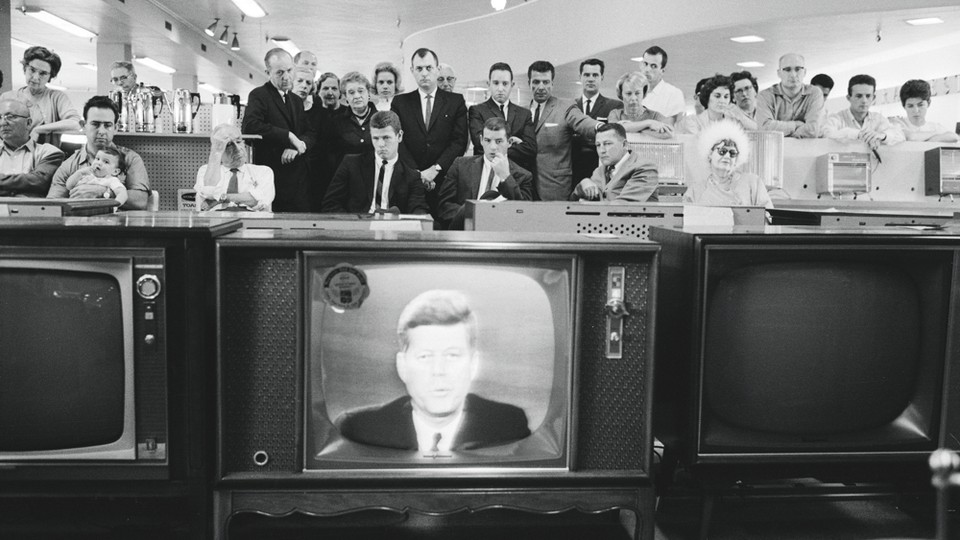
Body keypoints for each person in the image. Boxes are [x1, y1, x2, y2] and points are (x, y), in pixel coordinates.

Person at [337, 289, 531, 452]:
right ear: (402, 367)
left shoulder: (509, 425)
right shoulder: (358, 428)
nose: (438, 371)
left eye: (452, 356)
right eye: (425, 357)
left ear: (473, 365)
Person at [392, 48, 468, 218]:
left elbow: (459, 142)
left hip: (445, 180)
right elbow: (398, 141)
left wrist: (435, 169)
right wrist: (417, 174)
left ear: (437, 68)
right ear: (412, 71)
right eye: (419, 69)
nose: (424, 73)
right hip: (410, 181)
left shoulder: (455, 102)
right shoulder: (400, 102)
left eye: (429, 68)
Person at [241, 48, 315, 212]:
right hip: (273, 180)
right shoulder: (259, 95)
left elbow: (310, 133)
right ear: (268, 72)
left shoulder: (295, 100)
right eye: (280, 72)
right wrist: (288, 136)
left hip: (299, 183)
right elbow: (250, 126)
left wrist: (297, 145)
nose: (286, 77)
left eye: (289, 70)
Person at [47, 96, 149, 209]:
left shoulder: (130, 159)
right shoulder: (68, 166)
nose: (101, 131)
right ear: (83, 126)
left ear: (115, 128)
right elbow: (52, 205)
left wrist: (104, 192)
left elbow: (141, 201)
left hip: (117, 224)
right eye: (95, 124)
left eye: (107, 125)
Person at [322, 110, 428, 215]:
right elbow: (330, 204)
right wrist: (353, 224)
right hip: (358, 227)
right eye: (376, 138)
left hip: (393, 229)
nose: (381, 144)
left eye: (386, 138)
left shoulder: (412, 176)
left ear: (399, 136)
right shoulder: (351, 164)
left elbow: (418, 210)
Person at [438, 117, 534, 230]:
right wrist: (475, 217)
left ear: (509, 142)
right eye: (488, 140)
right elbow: (444, 206)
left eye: (499, 141)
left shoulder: (523, 176)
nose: (493, 147)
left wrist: (506, 177)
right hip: (466, 231)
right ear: (481, 140)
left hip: (503, 236)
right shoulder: (461, 165)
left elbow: (523, 214)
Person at [527, 60, 603, 201]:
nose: (541, 87)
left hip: (555, 186)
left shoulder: (565, 107)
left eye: (546, 82)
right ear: (529, 83)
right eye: (536, 82)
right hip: (526, 188)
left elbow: (582, 121)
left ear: (552, 84)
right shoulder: (522, 112)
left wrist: (600, 127)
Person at [0, 46, 81, 147]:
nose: (35, 77)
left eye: (43, 73)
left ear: (50, 77)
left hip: (44, 159)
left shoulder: (56, 97)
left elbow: (75, 123)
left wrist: (39, 130)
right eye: (32, 70)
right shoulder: (7, 97)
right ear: (25, 68)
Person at [684, 119, 772, 208]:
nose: (727, 156)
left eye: (732, 153)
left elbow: (768, 216)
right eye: (722, 151)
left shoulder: (753, 183)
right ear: (710, 154)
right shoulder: (695, 190)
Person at [467, 62, 537, 175]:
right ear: (488, 84)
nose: (500, 88)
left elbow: (531, 149)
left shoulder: (524, 114)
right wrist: (515, 145)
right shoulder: (477, 111)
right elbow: (480, 145)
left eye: (505, 83)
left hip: (516, 175)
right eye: (496, 83)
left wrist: (494, 146)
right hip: (486, 174)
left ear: (512, 85)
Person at [194, 123, 275, 212]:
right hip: (217, 222)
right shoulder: (205, 170)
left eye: (239, 141)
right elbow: (207, 192)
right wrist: (216, 153)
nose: (237, 148)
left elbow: (258, 200)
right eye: (229, 145)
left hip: (251, 222)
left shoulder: (263, 171)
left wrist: (220, 199)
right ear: (218, 148)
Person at [571, 123, 658, 203]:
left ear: (624, 144)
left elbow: (626, 206)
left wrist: (589, 205)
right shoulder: (599, 171)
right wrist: (583, 184)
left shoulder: (645, 168)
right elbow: (573, 202)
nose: (602, 151)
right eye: (598, 145)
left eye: (607, 144)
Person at [572, 58, 623, 184]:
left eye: (595, 75)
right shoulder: (570, 106)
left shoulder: (614, 106)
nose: (590, 79)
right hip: (573, 170)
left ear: (602, 77)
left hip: (602, 171)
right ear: (580, 77)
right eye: (586, 75)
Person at [0, 98, 64, 197]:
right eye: (0, 118)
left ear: (29, 123)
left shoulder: (49, 152)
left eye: (10, 117)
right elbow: (30, 183)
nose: (3, 123)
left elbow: (38, 182)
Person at [822, 74, 904, 146]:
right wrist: (857, 134)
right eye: (859, 96)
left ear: (873, 98)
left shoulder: (878, 118)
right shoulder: (836, 118)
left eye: (868, 96)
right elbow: (827, 134)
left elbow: (900, 136)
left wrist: (883, 136)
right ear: (848, 98)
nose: (864, 101)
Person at [755, 53, 823, 138]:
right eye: (787, 69)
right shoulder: (765, 96)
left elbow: (813, 129)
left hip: (805, 150)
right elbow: (764, 129)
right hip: (774, 149)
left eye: (798, 69)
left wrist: (782, 133)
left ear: (805, 72)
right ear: (779, 73)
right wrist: (796, 125)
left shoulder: (814, 93)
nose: (793, 75)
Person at [678, 74, 757, 134]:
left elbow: (757, 131)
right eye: (717, 96)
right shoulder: (692, 121)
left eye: (726, 97)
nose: (722, 101)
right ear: (707, 97)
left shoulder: (734, 121)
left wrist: (739, 115)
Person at [889, 79, 959, 143]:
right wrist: (935, 133)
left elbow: (954, 137)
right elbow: (911, 137)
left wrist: (931, 140)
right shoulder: (898, 123)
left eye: (920, 105)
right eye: (910, 106)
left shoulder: (934, 126)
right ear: (904, 106)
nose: (916, 111)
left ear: (928, 103)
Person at [607, 71, 673, 138]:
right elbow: (613, 131)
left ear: (643, 94)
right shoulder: (615, 114)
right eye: (628, 93)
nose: (633, 98)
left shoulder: (655, 116)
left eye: (637, 93)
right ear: (621, 95)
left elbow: (669, 134)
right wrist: (648, 123)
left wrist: (628, 128)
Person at [62, 147, 128, 206]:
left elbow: (123, 194)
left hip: (99, 212)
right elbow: (69, 186)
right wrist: (79, 173)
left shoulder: (111, 180)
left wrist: (114, 206)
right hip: (75, 209)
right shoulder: (85, 175)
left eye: (106, 162)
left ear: (115, 171)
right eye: (97, 158)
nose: (99, 163)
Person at [638, 46, 685, 124]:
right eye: (645, 64)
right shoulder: (633, 92)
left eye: (653, 66)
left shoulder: (674, 94)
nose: (647, 70)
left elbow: (669, 129)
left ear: (662, 71)